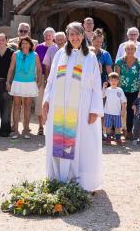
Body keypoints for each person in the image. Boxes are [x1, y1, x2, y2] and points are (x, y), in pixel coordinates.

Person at [42, 22, 104, 191]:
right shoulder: (60, 54)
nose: (75, 38)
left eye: (78, 34)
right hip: (59, 105)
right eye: (72, 35)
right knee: (60, 140)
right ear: (67, 37)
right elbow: (51, 79)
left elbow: (96, 84)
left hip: (81, 106)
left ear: (83, 36)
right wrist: (46, 101)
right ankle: (59, 178)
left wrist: (95, 109)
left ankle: (80, 180)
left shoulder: (90, 57)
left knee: (81, 142)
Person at [6, 37, 43, 139]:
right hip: (17, 82)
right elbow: (11, 68)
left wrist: (39, 81)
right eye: (23, 43)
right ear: (20, 45)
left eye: (27, 43)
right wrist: (8, 82)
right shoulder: (15, 54)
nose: (25, 45)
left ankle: (26, 130)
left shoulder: (35, 55)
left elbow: (39, 69)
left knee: (27, 108)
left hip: (30, 83)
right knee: (17, 107)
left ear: (30, 45)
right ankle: (16, 131)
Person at [34, 27, 56, 136]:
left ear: (53, 37)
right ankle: (40, 126)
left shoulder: (57, 48)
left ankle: (51, 126)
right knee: (40, 100)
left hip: (54, 78)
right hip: (41, 76)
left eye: (50, 35)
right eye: (46, 35)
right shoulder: (38, 47)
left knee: (52, 102)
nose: (48, 37)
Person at [103, 72, 127, 144]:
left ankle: (118, 139)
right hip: (108, 112)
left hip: (117, 112)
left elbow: (123, 101)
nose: (113, 82)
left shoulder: (120, 90)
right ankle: (108, 138)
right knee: (108, 126)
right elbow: (102, 96)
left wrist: (123, 110)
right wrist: (104, 87)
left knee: (117, 127)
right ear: (109, 81)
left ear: (118, 81)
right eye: (111, 80)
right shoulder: (107, 90)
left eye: (115, 80)